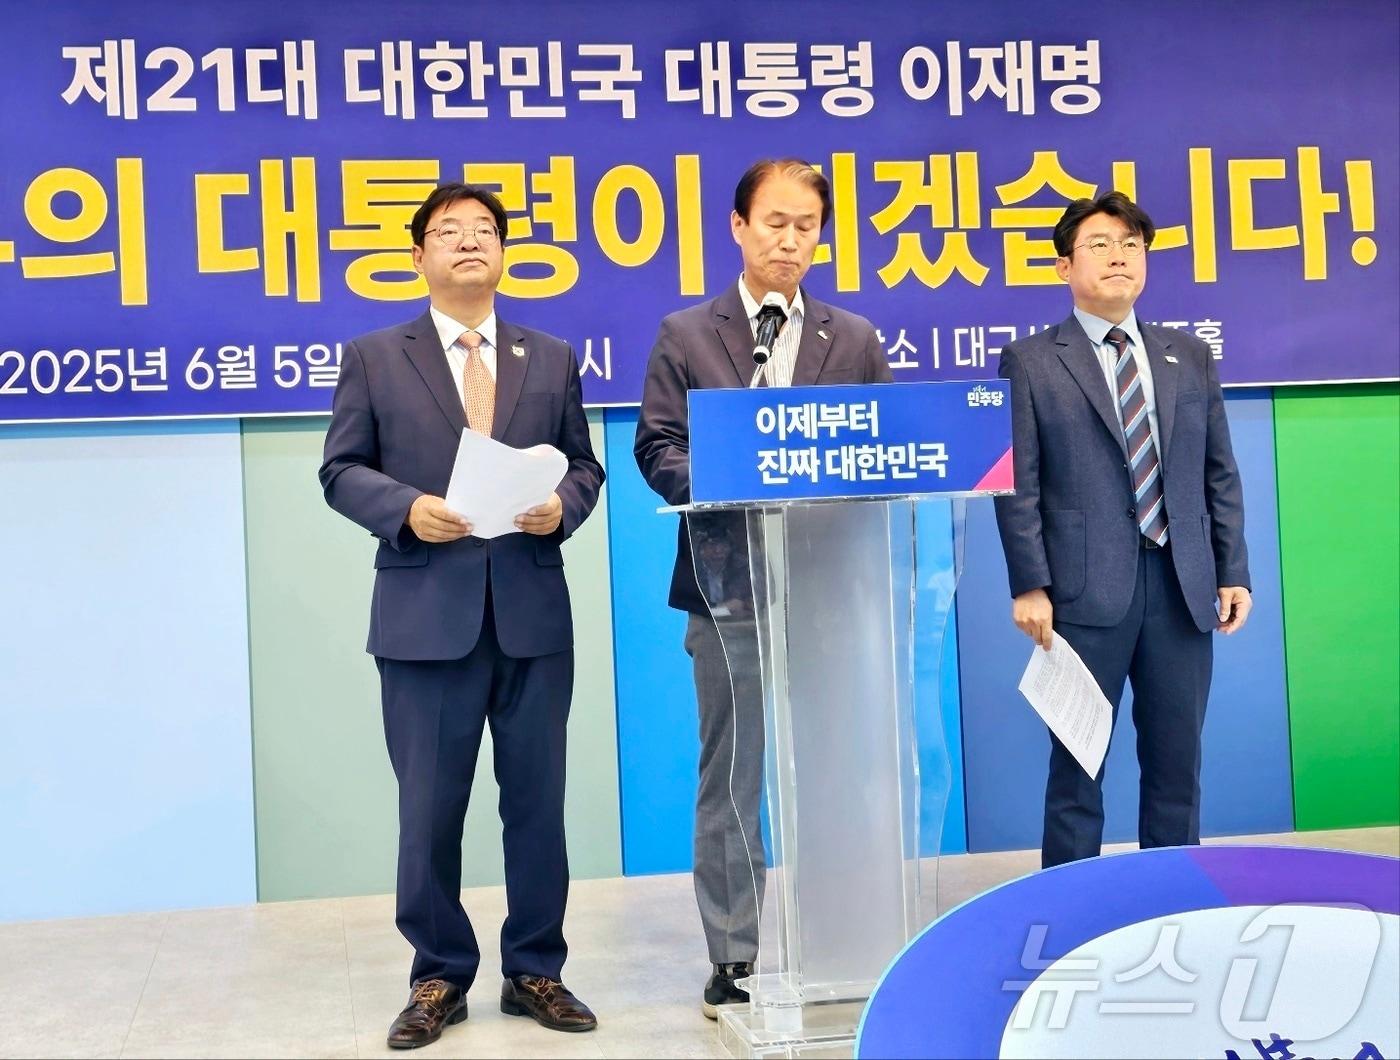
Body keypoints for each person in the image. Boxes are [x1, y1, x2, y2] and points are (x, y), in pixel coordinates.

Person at [319, 182, 604, 1048]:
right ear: (419, 256)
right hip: (425, 619)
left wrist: (563, 506)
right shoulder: (376, 356)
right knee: (431, 811)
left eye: (485, 230)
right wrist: (406, 508)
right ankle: (438, 974)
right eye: (450, 231)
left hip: (531, 618)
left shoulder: (549, 356)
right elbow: (340, 470)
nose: (470, 241)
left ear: (505, 253)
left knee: (538, 807)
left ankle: (536, 969)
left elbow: (585, 466)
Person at [633, 158, 892, 1017]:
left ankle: (843, 939)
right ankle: (734, 955)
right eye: (775, 223)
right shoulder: (688, 333)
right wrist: (728, 479)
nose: (790, 240)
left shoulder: (853, 339)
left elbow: (885, 451)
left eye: (806, 227)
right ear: (738, 227)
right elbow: (657, 447)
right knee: (733, 778)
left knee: (840, 769)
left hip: (830, 589)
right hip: (727, 590)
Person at [993, 190, 1252, 870]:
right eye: (1100, 245)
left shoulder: (1187, 355)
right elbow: (1018, 484)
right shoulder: (1032, 361)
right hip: (1081, 594)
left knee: (1177, 763)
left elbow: (1218, 471)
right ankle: (1069, 906)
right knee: (1078, 767)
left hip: (1182, 586)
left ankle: (1170, 901)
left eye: (1131, 245)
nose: (1119, 257)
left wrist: (1232, 569)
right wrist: (1030, 585)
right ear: (1064, 265)